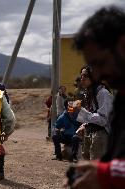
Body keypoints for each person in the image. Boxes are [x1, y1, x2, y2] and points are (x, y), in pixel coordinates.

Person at [65, 6, 125, 189]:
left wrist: (106, 173)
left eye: (100, 63)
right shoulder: (121, 97)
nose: (97, 75)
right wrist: (101, 168)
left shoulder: (104, 92)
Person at [75, 66, 113, 160]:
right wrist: (85, 125)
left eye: (85, 75)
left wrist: (81, 111)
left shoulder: (103, 93)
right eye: (81, 76)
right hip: (91, 133)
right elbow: (94, 113)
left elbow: (104, 119)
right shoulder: (90, 92)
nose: (82, 78)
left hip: (101, 135)